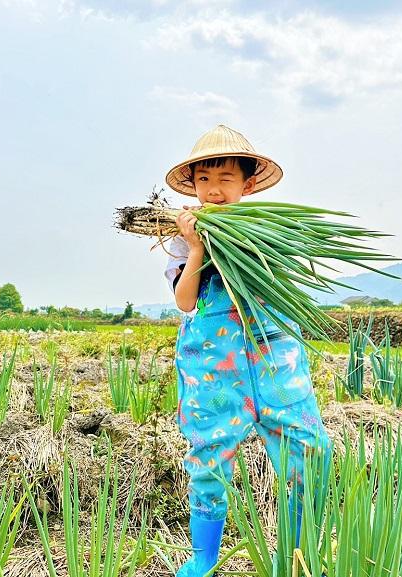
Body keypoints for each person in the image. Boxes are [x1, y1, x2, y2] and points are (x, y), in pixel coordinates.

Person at [163, 125, 332, 577]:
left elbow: (284, 289)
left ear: (248, 184)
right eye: (203, 180)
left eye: (225, 179)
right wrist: (198, 248)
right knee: (209, 455)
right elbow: (184, 301)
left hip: (274, 362)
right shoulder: (183, 237)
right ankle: (204, 557)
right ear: (194, 185)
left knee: (309, 450)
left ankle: (294, 555)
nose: (214, 190)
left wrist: (249, 251)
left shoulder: (271, 233)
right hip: (215, 367)